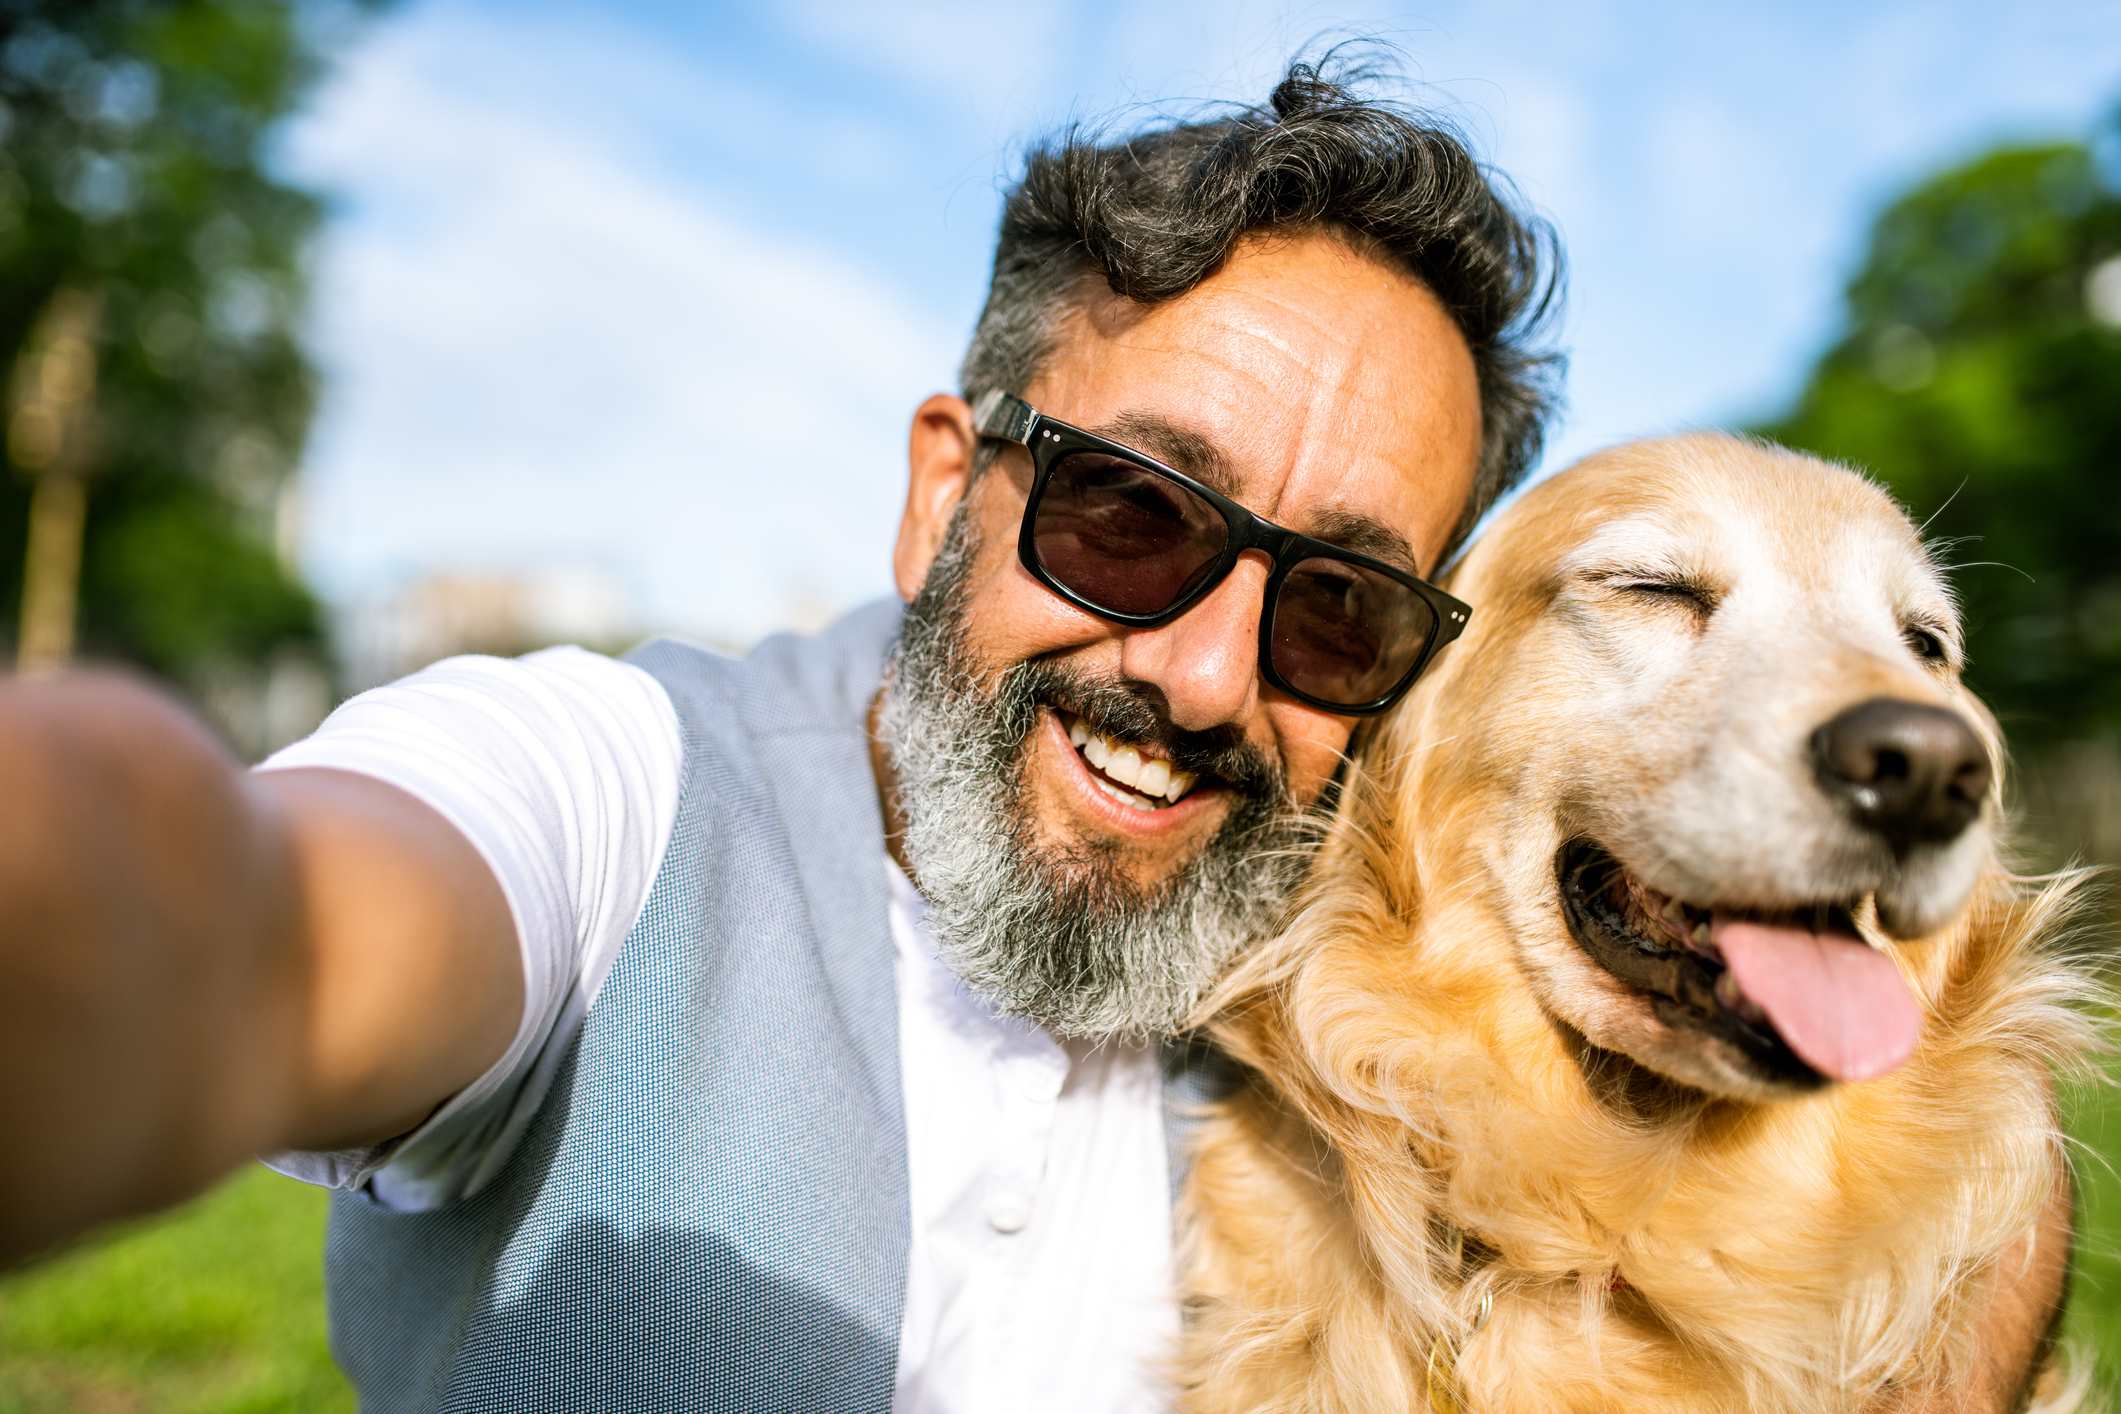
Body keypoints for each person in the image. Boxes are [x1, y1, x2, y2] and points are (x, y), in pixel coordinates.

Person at [0, 60, 2069, 1414]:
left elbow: (1921, 1122)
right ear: (943, 490)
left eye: (1336, 604)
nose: (1205, 676)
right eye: (1129, 518)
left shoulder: (1337, 966)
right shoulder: (621, 791)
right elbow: (273, 912)